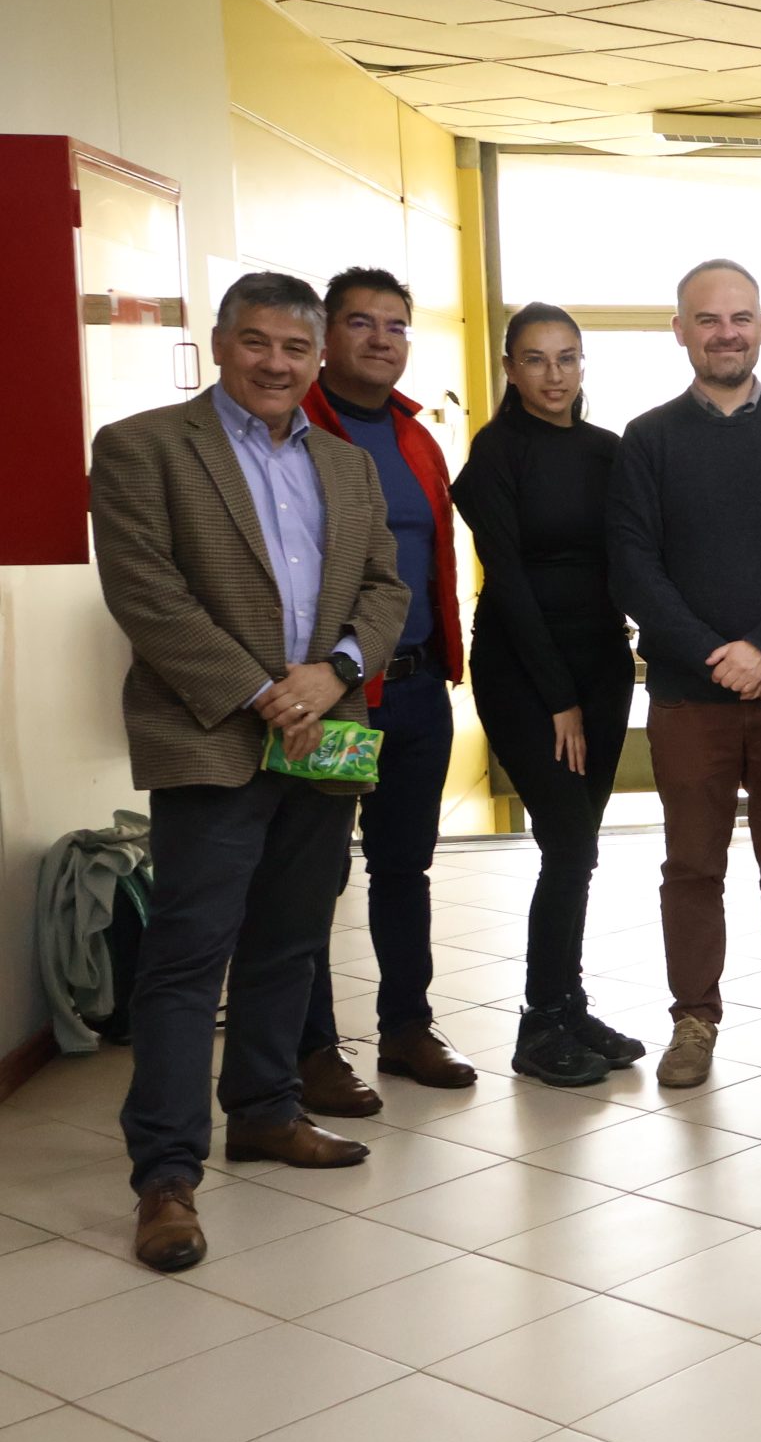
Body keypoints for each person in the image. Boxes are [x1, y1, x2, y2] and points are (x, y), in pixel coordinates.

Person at [91, 272, 409, 1270]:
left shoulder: (347, 464)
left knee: (292, 939)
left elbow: (385, 588)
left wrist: (336, 670)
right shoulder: (143, 448)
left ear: (317, 358)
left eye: (295, 348)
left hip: (327, 732)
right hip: (211, 732)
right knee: (189, 955)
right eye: (257, 343)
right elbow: (146, 593)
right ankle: (165, 1175)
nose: (277, 363)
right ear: (221, 344)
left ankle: (267, 1110)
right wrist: (260, 689)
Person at [607, 258, 761, 1087]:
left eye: (740, 317)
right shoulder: (647, 439)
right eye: (708, 319)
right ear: (680, 329)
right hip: (690, 696)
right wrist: (716, 655)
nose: (726, 333)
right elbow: (634, 567)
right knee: (692, 865)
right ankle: (694, 1018)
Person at [292, 267, 475, 1110]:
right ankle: (311, 1048)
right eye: (360, 322)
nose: (380, 339)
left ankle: (406, 1027)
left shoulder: (413, 434)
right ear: (326, 335)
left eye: (395, 325)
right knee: (316, 872)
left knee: (405, 866)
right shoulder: (299, 427)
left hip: (414, 687)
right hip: (336, 694)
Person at [451, 303, 643, 1087]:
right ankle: (539, 1022)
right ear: (510, 368)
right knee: (566, 839)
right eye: (535, 359)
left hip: (602, 666)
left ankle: (570, 1005)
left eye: (568, 357)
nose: (554, 374)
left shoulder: (608, 450)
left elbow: (633, 556)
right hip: (524, 670)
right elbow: (509, 583)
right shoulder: (496, 453)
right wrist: (559, 697)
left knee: (580, 845)